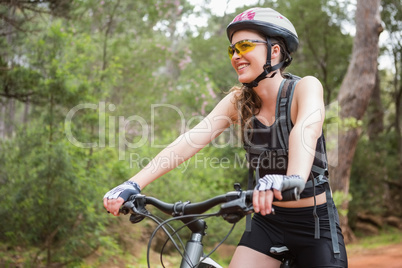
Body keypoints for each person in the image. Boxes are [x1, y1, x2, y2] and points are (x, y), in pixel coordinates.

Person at [103, 7, 348, 268]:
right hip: (267, 223)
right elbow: (192, 139)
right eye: (232, 50)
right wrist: (133, 183)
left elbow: (306, 131)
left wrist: (293, 178)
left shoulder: (304, 87)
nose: (236, 56)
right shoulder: (239, 101)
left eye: (244, 46)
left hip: (315, 226)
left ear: (275, 51)